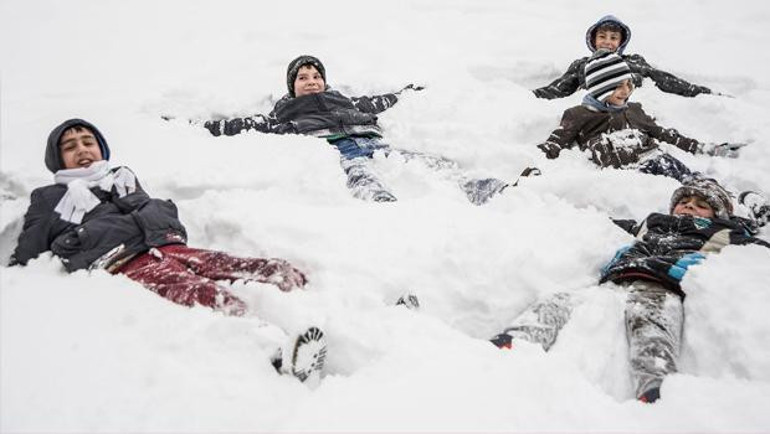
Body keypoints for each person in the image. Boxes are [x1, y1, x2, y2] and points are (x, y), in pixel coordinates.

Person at [10, 118, 325, 384]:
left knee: (231, 263)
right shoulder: (48, 198)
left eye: (88, 141)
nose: (82, 149)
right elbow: (27, 254)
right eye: (70, 146)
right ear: (57, 159)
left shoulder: (122, 179)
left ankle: (311, 298)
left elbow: (145, 213)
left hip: (165, 244)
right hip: (121, 259)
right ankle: (272, 348)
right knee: (196, 291)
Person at [489, 178, 770, 403]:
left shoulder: (724, 231)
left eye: (700, 204)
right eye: (684, 201)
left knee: (652, 324)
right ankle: (519, 338)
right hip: (619, 277)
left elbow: (756, 251)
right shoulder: (653, 222)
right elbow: (609, 224)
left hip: (663, 284)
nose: (689, 207)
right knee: (562, 300)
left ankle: (654, 385)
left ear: (717, 214)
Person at [201, 55, 529, 205]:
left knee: (419, 160)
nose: (311, 81)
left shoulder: (344, 100)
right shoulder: (284, 111)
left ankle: (477, 186)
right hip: (334, 144)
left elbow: (375, 103)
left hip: (369, 138)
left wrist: (403, 93)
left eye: (316, 76)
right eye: (303, 78)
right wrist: (198, 127)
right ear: (292, 86)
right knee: (356, 169)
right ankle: (375, 196)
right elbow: (241, 125)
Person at [536, 50, 745, 183]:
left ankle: (742, 204)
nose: (626, 90)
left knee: (696, 185)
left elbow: (664, 134)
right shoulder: (578, 114)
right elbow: (555, 144)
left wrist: (703, 148)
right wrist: (532, 166)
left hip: (657, 161)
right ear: (599, 89)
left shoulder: (634, 109)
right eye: (617, 86)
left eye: (628, 84)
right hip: (625, 174)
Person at [533, 15, 714, 100]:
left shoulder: (632, 61)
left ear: (621, 42)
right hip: (593, 111)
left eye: (613, 38)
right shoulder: (583, 65)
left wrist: (698, 91)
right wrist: (530, 96)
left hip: (628, 110)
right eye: (602, 37)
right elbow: (558, 88)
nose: (607, 42)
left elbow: (663, 79)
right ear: (594, 40)